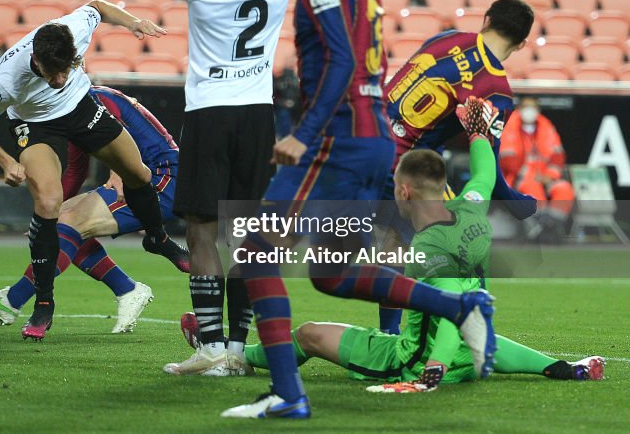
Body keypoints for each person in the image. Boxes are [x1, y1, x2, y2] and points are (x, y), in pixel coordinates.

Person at [223, 0, 497, 420]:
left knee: (254, 251)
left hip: (338, 139)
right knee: (331, 273)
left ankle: (288, 395)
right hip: (374, 139)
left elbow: (343, 62)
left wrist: (304, 134)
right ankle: (459, 305)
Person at [187, 97, 605, 387]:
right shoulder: (471, 208)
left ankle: (232, 355)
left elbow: (455, 311)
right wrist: (479, 134)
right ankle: (560, 368)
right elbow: (482, 175)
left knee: (308, 335)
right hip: (471, 357)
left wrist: (435, 367)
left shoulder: (427, 251)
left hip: (415, 360)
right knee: (468, 330)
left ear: (402, 192)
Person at [114, 0, 307, 376]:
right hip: (258, 116)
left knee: (202, 232)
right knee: (245, 235)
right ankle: (238, 352)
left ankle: (211, 348)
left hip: (210, 114)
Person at [0, 1, 186, 341]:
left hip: (81, 110)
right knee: (50, 205)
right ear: (36, 61)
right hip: (36, 126)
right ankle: (44, 303)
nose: (61, 78)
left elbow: (97, 5)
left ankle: (158, 239)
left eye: (67, 69)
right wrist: (6, 161)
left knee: (139, 175)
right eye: (53, 74)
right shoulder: (8, 80)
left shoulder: (74, 29)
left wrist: (132, 22)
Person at [377, 0, 538, 334]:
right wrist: (515, 201)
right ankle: (475, 338)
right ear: (522, 44)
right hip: (405, 166)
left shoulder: (445, 39)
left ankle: (388, 336)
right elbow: (486, 164)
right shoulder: (496, 90)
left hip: (367, 143)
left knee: (394, 245)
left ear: (487, 18)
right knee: (465, 241)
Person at [500, 96, 575, 241]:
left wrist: (549, 176)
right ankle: (538, 230)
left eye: (533, 107)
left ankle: (550, 226)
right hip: (518, 178)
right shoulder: (510, 126)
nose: (530, 111)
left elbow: (557, 157)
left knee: (564, 188)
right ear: (519, 109)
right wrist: (531, 175)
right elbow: (507, 161)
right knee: (532, 187)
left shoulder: (546, 127)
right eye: (526, 107)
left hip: (545, 177)